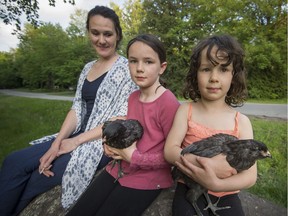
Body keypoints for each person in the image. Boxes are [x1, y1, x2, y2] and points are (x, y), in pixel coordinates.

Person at [0, 5, 138, 215]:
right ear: (88, 33)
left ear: (118, 35)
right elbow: (76, 108)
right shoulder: (87, 68)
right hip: (75, 134)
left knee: (38, 176)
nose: (101, 39)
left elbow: (119, 119)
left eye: (108, 34)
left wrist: (75, 142)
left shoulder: (127, 69)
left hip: (100, 141)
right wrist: (57, 143)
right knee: (14, 162)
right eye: (95, 32)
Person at [66, 34, 180, 216]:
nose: (140, 68)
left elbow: (173, 156)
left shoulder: (168, 102)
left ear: (162, 67)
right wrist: (111, 146)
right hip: (117, 169)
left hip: (148, 178)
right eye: (133, 61)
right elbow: (129, 134)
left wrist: (134, 157)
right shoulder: (133, 97)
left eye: (148, 62)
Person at [164, 34, 256, 216]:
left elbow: (250, 176)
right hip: (188, 188)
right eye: (206, 69)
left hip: (226, 192)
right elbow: (169, 151)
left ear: (233, 75)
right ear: (195, 73)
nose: (214, 77)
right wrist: (204, 165)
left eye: (223, 70)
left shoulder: (241, 122)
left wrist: (217, 184)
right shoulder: (186, 111)